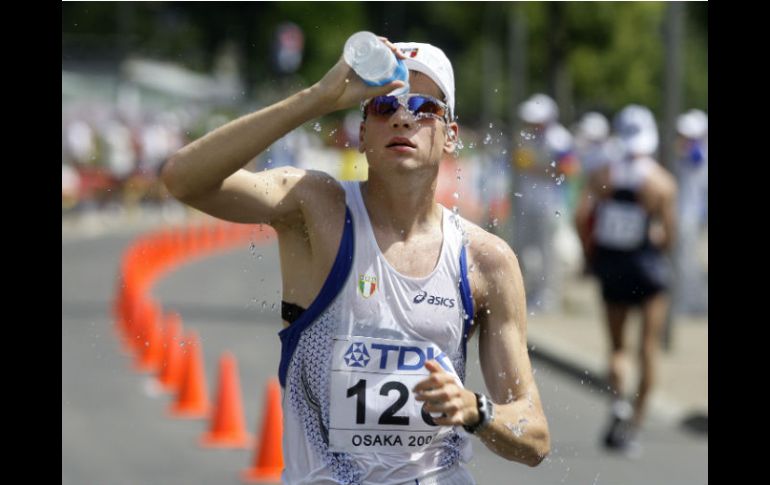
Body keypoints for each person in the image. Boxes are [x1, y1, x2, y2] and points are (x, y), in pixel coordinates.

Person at [162, 37, 549, 484]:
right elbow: (183, 179)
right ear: (363, 134)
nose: (403, 117)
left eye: (425, 107)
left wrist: (476, 410)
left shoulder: (486, 260)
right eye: (384, 106)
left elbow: (534, 436)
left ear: (450, 136)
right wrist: (317, 99)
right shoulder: (314, 207)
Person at [575, 105, 677, 456]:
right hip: (647, 268)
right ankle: (634, 424)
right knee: (647, 348)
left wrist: (589, 254)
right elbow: (670, 235)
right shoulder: (661, 182)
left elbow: (581, 217)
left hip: (612, 265)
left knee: (617, 348)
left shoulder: (602, 175)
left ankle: (618, 401)